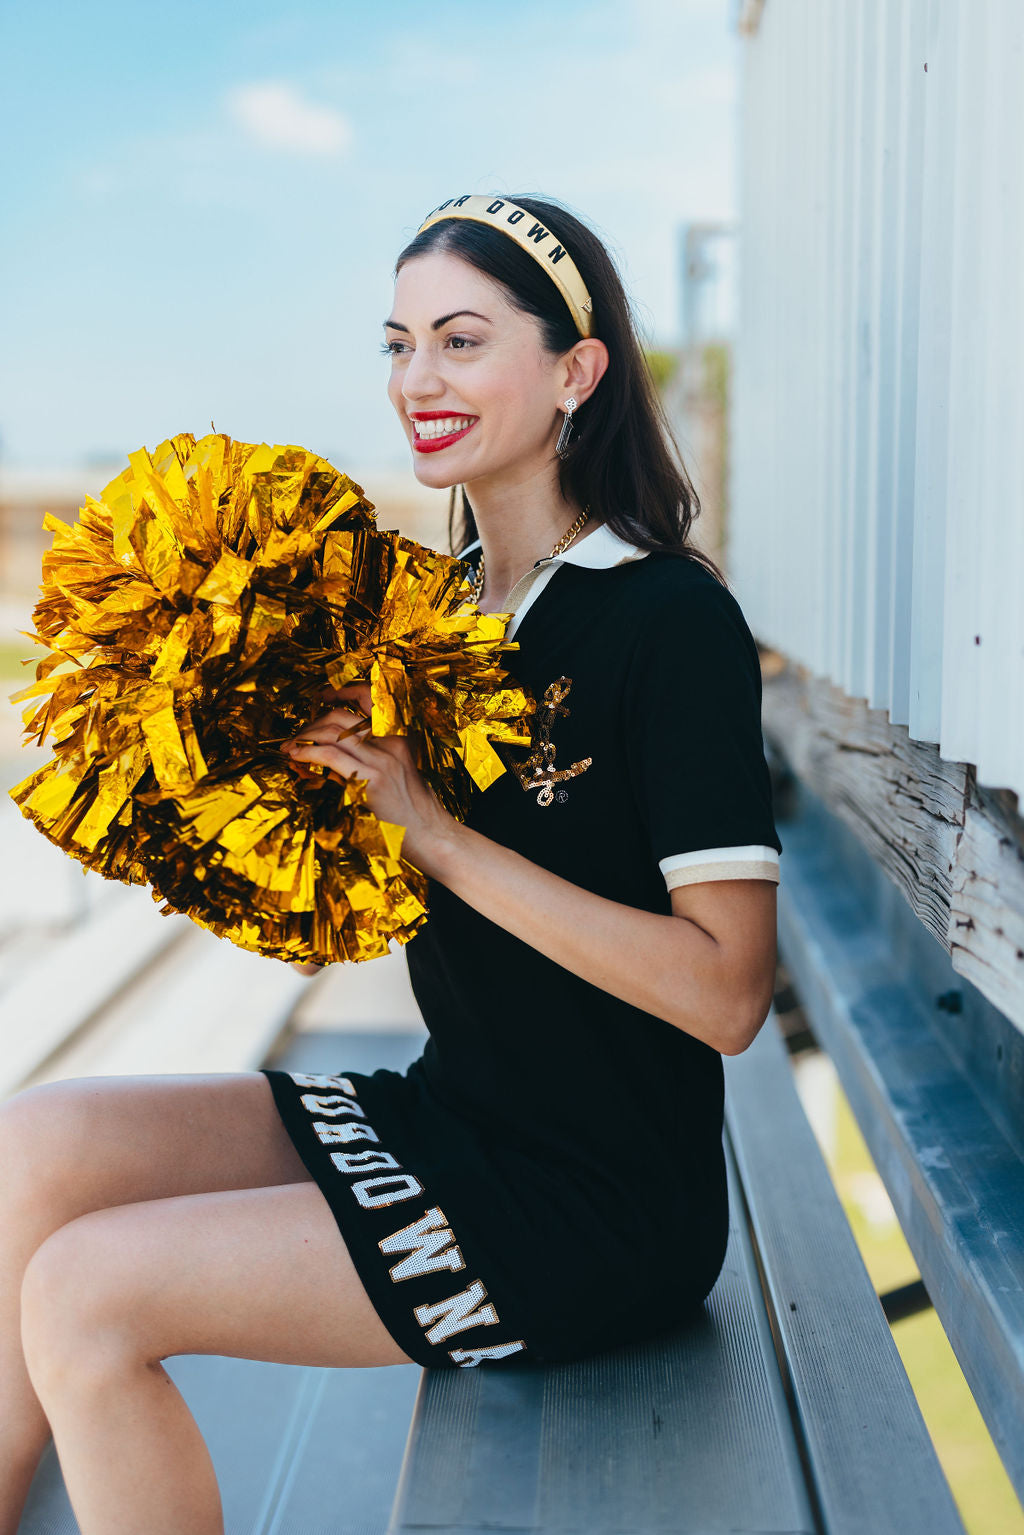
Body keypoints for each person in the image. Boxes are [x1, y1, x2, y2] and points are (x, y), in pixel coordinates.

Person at [0, 192, 781, 1534]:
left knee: (88, 1295)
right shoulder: (425, 607)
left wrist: (436, 834)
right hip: (449, 1115)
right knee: (33, 1150)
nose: (419, 378)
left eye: (463, 340)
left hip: (593, 1206)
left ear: (575, 372)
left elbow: (729, 998)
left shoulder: (670, 619)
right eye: (400, 341)